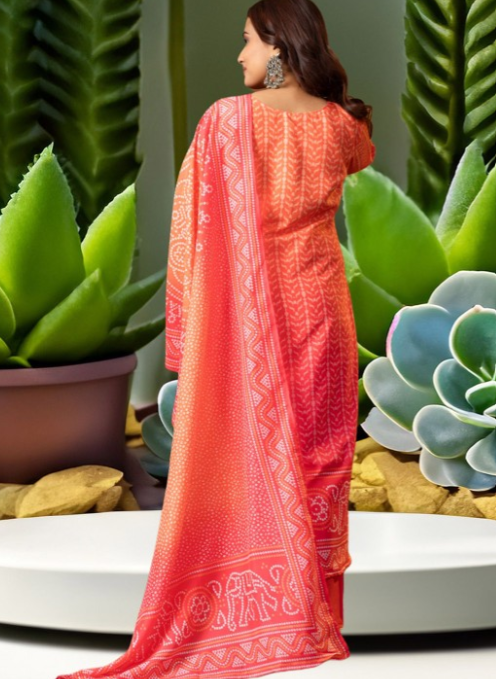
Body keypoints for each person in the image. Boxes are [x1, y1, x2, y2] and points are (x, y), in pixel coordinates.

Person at [55, 1, 375, 677]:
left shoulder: (227, 121)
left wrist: (187, 338)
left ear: (279, 48)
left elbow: (189, 232)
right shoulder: (343, 126)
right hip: (323, 312)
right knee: (318, 459)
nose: (240, 55)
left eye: (249, 42)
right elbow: (360, 157)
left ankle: (263, 613)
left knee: (252, 459)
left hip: (253, 322)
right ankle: (317, 622)